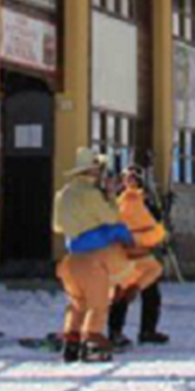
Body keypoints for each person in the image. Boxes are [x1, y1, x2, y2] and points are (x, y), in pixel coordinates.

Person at [52, 147, 143, 362]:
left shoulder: (62, 194)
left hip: (71, 259)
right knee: (98, 303)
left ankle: (71, 341)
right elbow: (112, 217)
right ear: (91, 171)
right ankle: (92, 342)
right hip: (94, 258)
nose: (102, 174)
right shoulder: (91, 195)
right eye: (100, 169)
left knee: (77, 303)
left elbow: (57, 226)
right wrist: (110, 196)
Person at [106, 166, 170, 347]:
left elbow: (155, 225)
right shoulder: (119, 202)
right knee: (122, 294)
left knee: (151, 295)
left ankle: (147, 330)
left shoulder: (144, 202)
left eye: (134, 178)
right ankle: (115, 332)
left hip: (143, 255)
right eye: (128, 178)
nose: (131, 182)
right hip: (126, 255)